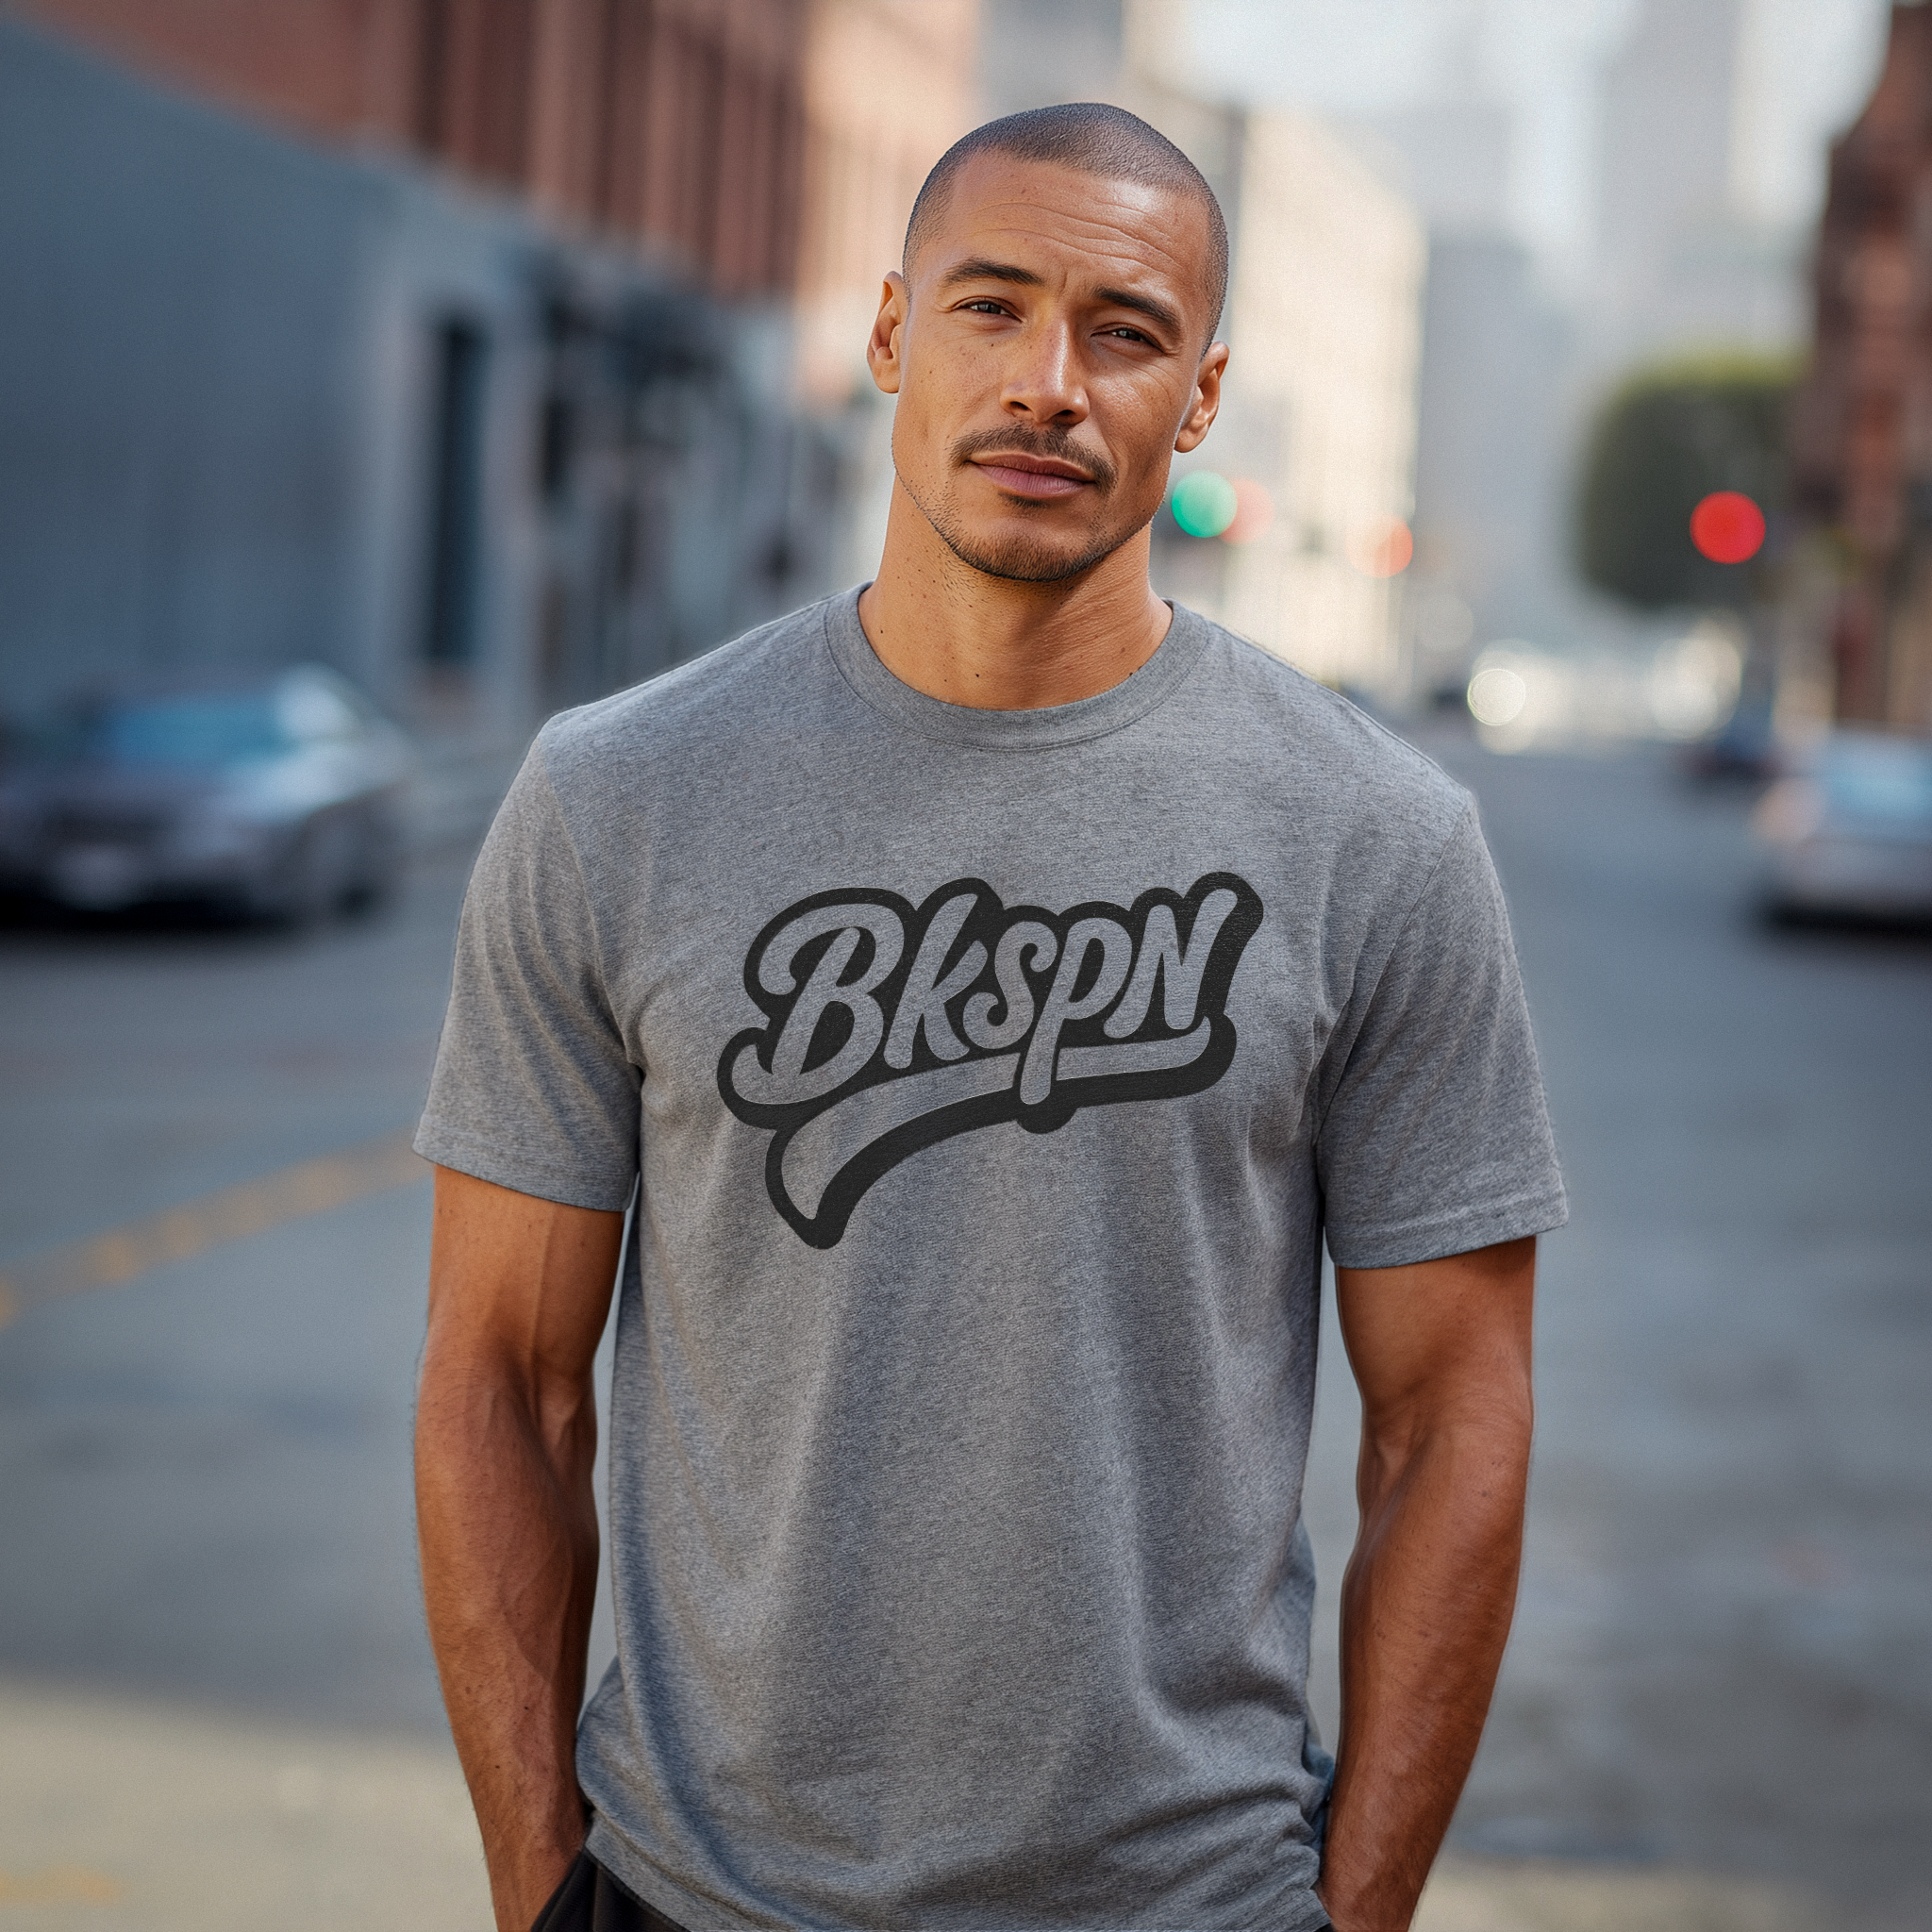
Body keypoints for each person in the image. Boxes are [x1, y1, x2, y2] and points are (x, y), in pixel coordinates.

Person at [413, 103, 1565, 1932]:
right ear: (888, 334)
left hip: (1186, 1898)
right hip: (696, 1891)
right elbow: (503, 1385)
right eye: (988, 306)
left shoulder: (1376, 837)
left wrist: (1355, 1914)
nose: (1048, 381)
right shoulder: (615, 797)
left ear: (1196, 397)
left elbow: (1451, 1421)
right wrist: (536, 1890)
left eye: (1122, 330)